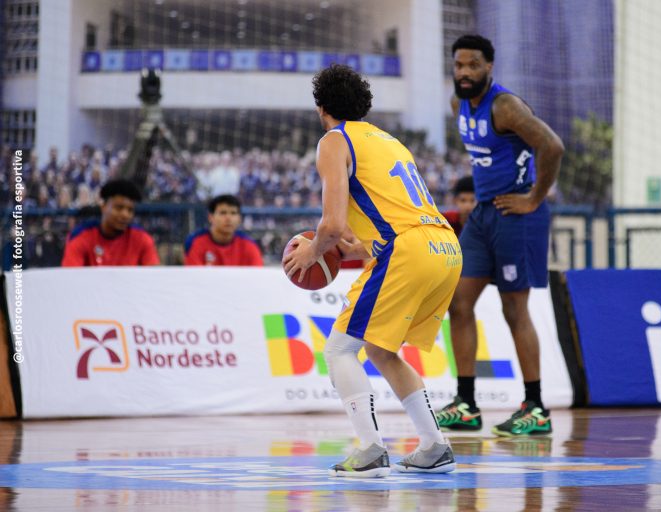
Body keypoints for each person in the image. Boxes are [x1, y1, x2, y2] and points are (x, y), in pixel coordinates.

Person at [283, 64, 462, 477]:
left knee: (339, 350)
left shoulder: (334, 140)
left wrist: (312, 251)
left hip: (409, 250)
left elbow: (330, 225)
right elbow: (403, 214)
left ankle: (370, 450)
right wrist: (358, 248)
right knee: (380, 349)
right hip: (445, 247)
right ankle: (434, 445)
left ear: (321, 107)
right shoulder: (390, 141)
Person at [436, 35, 563, 437]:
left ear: (489, 67)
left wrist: (534, 198)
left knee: (514, 308)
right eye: (459, 65)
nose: (464, 72)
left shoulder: (505, 106)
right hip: (483, 214)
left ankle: (536, 408)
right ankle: (466, 404)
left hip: (517, 214)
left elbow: (552, 146)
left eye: (473, 65)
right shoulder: (457, 104)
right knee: (458, 302)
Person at [62, 179, 160, 267]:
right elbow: (70, 277)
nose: (125, 215)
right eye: (119, 208)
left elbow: (154, 276)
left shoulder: (142, 239)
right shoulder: (80, 237)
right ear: (103, 207)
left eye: (130, 210)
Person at [184, 194, 264, 266]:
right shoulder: (196, 242)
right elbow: (193, 275)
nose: (228, 218)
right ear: (210, 217)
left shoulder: (249, 246)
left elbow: (257, 275)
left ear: (239, 219)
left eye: (233, 213)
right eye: (223, 213)